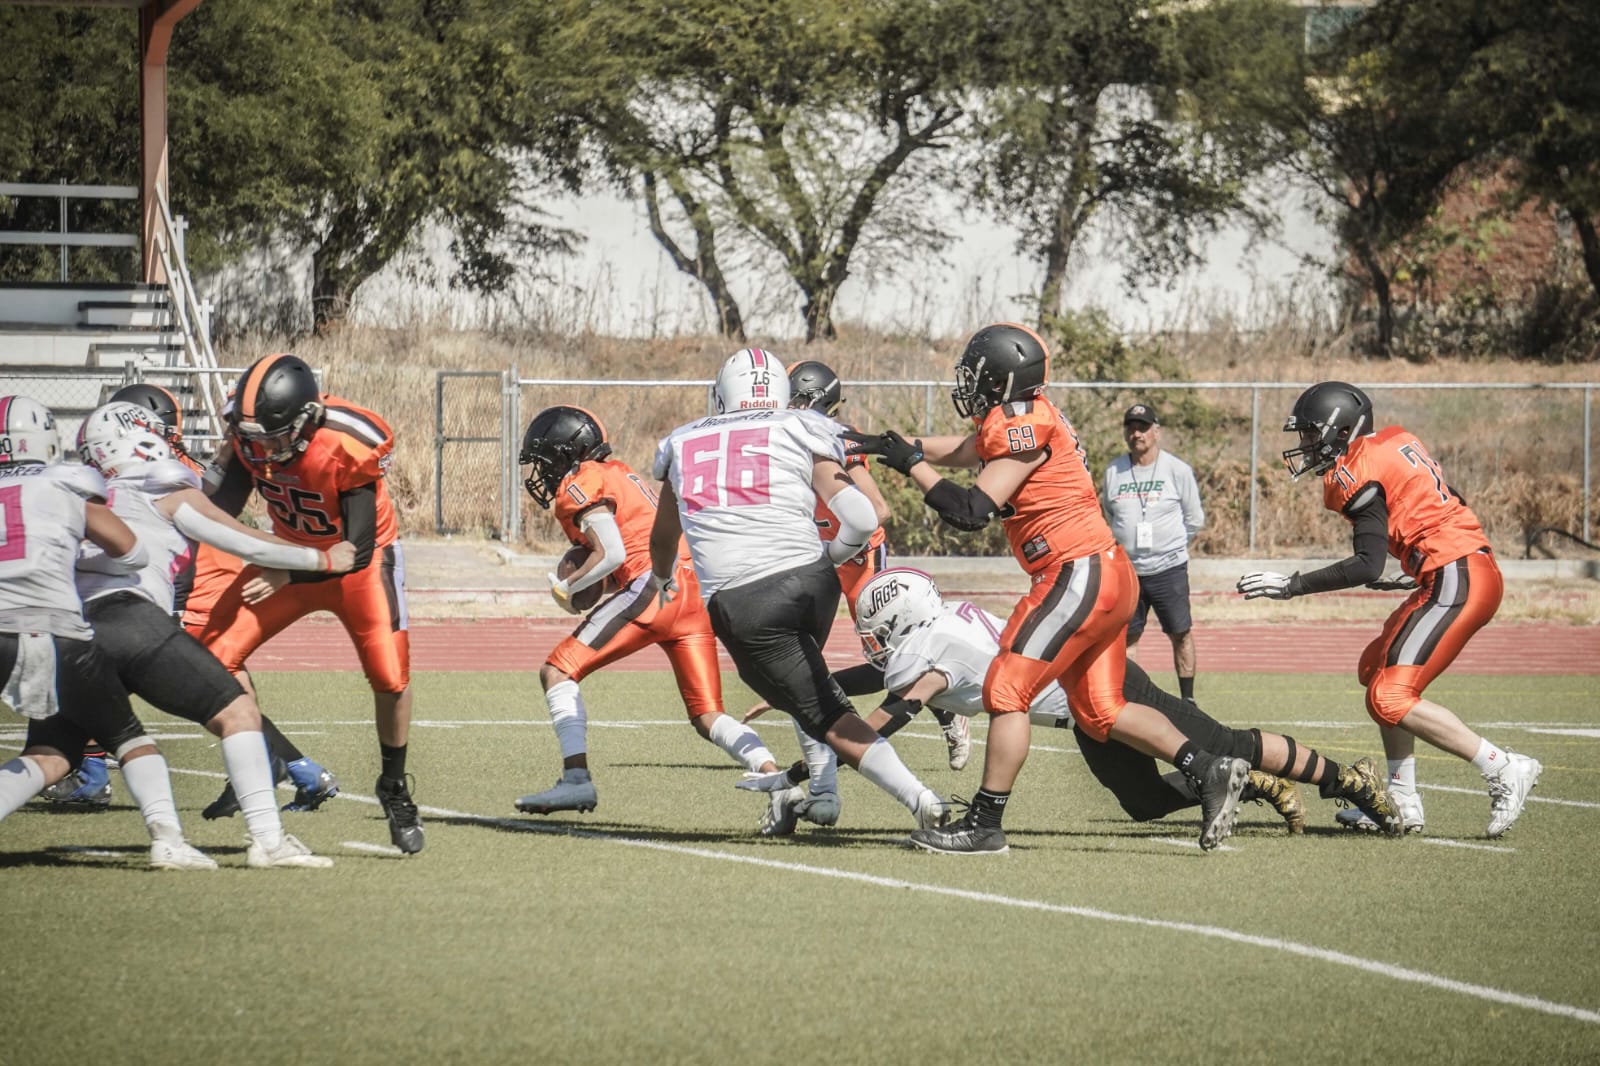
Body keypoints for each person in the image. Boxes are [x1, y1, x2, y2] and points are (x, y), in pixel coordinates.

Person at [845, 322, 1248, 854]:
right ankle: (1208, 768)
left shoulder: (1022, 422)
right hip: (1103, 570)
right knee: (1100, 710)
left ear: (1001, 379)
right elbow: (969, 450)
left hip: (1075, 570)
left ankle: (984, 824)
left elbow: (971, 511)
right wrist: (900, 448)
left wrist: (914, 466)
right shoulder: (1023, 416)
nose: (969, 384)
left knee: (1005, 688)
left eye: (977, 375)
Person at [844, 568, 1408, 836]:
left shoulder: (932, 652)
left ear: (901, 620)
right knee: (1141, 802)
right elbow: (889, 681)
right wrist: (825, 689)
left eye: (878, 630)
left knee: (1228, 741)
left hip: (1104, 688)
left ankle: (1348, 779)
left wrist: (831, 746)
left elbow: (895, 710)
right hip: (1081, 713)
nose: (875, 642)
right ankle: (1249, 783)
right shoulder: (943, 627)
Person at [649, 347, 948, 839]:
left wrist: (662, 579)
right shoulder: (799, 426)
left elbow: (663, 540)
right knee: (806, 688)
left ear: (722, 394)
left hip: (746, 600)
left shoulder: (682, 442)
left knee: (823, 710)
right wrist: (830, 557)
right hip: (814, 582)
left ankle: (920, 800)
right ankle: (822, 794)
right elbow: (862, 518)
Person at [1238, 381, 1542, 838]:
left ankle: (1503, 766)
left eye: (1311, 433)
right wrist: (1418, 559)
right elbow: (1447, 497)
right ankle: (1402, 796)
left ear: (1342, 431)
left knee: (1389, 697)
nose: (1305, 444)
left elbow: (1366, 564)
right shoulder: (1394, 442)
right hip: (1452, 570)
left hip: (1457, 575)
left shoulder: (1355, 471)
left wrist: (1291, 586)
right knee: (1373, 670)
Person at [38, 383, 343, 816]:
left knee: (204, 693)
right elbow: (213, 492)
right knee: (217, 691)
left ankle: (290, 770)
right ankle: (296, 771)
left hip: (192, 594)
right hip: (198, 589)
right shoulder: (168, 465)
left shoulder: (148, 474)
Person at [200, 353, 423, 854]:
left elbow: (356, 551)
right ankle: (265, 754)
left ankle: (393, 785)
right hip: (289, 555)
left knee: (390, 676)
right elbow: (217, 511)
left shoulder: (346, 443)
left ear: (305, 420)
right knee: (211, 657)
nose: (261, 450)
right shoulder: (251, 439)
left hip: (359, 567)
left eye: (272, 438)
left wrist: (285, 571)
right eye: (252, 438)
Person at [511, 404, 782, 815]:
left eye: (546, 459)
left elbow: (612, 554)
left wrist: (567, 586)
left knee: (557, 671)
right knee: (707, 714)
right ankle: (774, 777)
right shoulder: (620, 473)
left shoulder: (582, 481)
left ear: (567, 452)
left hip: (655, 587)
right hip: (694, 591)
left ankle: (576, 780)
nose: (543, 471)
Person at [0, 395, 214, 870]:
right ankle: (168, 839)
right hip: (50, 632)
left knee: (49, 754)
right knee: (130, 738)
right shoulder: (64, 482)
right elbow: (131, 552)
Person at [1103, 402, 1204, 702]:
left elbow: (1194, 518)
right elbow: (1109, 514)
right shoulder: (1114, 470)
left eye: (1143, 428)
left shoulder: (1177, 470)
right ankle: (1128, 699)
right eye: (1131, 428)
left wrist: (1170, 547)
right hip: (1128, 570)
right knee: (1128, 637)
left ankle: (1188, 700)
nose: (1137, 434)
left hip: (1168, 569)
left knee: (1180, 632)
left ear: (1156, 432)